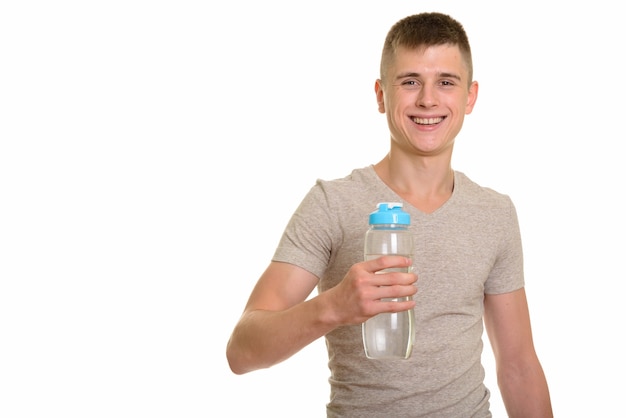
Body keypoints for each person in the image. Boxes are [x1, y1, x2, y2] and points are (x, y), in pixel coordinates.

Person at [226, 11, 553, 418]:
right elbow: (241, 351)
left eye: (446, 83)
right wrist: (332, 307)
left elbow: (519, 366)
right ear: (381, 95)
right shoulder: (332, 203)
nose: (428, 100)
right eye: (410, 81)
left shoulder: (495, 213)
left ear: (470, 97)